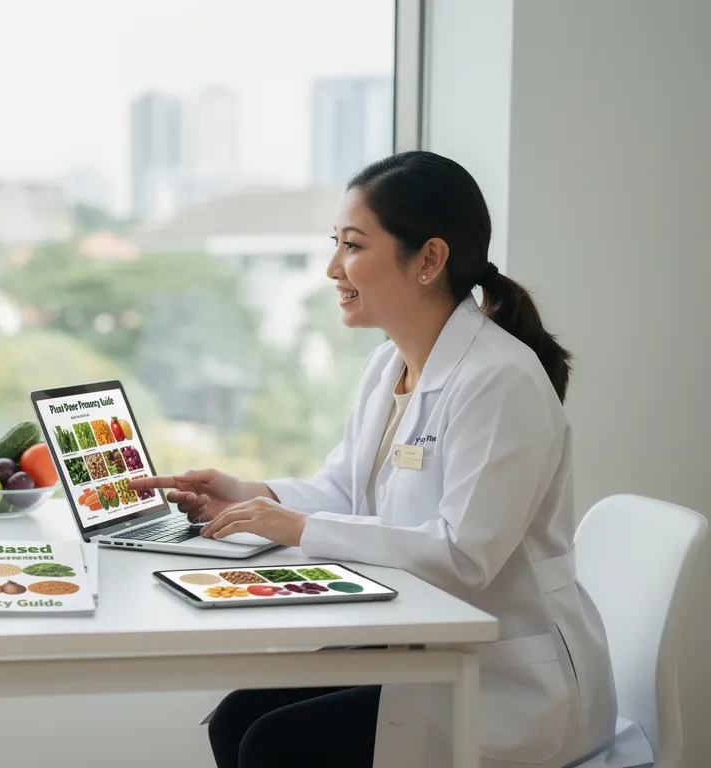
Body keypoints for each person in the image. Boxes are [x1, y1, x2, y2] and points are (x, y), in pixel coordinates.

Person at [130, 151, 627, 768]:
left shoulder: (499, 381)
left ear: (429, 259)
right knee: (238, 718)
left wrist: (300, 529)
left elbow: (466, 556)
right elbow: (346, 491)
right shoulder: (388, 366)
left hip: (505, 680)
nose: (334, 268)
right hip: (421, 651)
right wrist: (251, 494)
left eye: (354, 246)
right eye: (335, 243)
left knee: (273, 744)